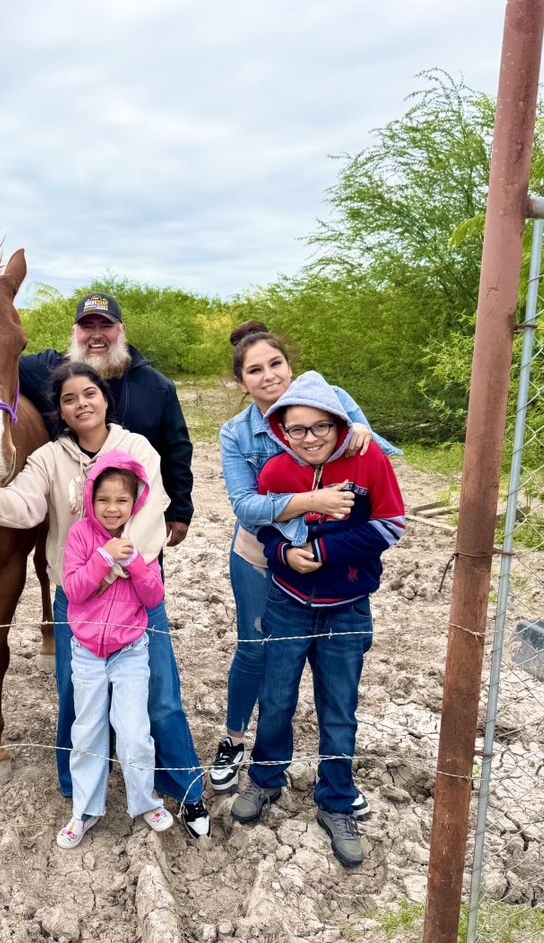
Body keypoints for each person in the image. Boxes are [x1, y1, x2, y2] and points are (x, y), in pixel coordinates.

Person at [0, 362, 211, 837]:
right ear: (62, 411)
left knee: (161, 697)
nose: (81, 404)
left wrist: (109, 568)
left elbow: (150, 515)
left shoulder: (136, 449)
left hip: (134, 596)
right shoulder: (50, 459)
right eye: (69, 399)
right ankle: (79, 791)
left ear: (105, 399)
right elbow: (25, 504)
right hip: (76, 601)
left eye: (89, 393)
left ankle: (182, 787)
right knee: (76, 698)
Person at [211, 322, 399, 810]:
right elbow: (246, 507)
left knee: (332, 691)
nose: (269, 375)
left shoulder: (327, 400)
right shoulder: (238, 434)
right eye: (255, 370)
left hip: (337, 568)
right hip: (263, 552)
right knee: (258, 652)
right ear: (242, 381)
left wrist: (360, 427)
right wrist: (307, 501)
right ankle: (237, 744)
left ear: (290, 366)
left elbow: (374, 456)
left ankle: (333, 786)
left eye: (276, 364)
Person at [57, 453, 174, 848]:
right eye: (103, 499)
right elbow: (73, 590)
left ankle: (144, 801)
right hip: (87, 650)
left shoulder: (142, 539)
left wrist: (136, 562)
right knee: (87, 730)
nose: (112, 508)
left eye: (121, 500)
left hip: (130, 649)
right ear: (90, 497)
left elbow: (153, 596)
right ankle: (85, 809)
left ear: (136, 501)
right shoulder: (79, 536)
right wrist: (104, 556)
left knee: (135, 731)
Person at [19, 292, 193, 548]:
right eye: (87, 326)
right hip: (75, 528)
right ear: (75, 331)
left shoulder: (158, 387)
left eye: (106, 325)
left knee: (141, 582)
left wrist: (180, 509)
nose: (96, 335)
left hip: (136, 523)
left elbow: (176, 449)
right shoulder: (48, 371)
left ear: (121, 330)